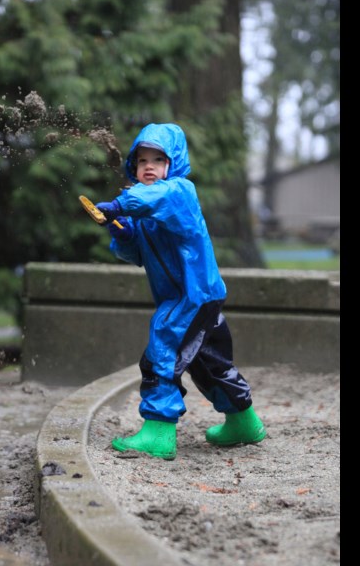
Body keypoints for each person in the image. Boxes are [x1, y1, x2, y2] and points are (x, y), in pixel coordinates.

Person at [94, 123, 266, 460]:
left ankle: (158, 432)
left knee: (163, 349)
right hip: (199, 296)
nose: (148, 166)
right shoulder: (144, 212)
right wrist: (122, 233)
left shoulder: (178, 192)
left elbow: (155, 197)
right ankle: (244, 421)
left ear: (174, 163)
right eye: (141, 160)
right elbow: (137, 254)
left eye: (158, 159)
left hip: (191, 296)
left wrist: (118, 204)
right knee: (210, 363)